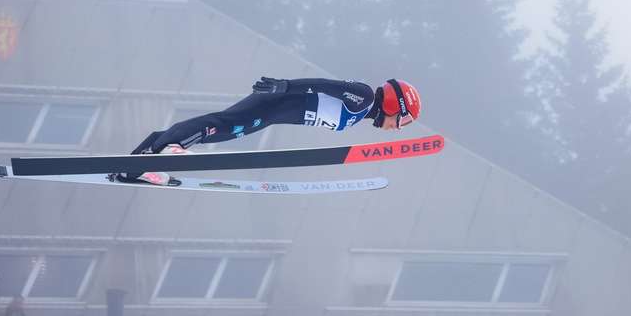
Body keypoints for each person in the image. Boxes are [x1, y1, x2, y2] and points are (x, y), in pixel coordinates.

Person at [118, 77, 422, 185]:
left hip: (272, 114)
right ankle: (168, 150)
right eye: (403, 121)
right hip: (275, 101)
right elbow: (326, 85)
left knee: (225, 130)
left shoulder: (362, 112)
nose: (398, 129)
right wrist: (286, 86)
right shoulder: (365, 97)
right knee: (222, 125)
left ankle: (141, 161)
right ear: (395, 105)